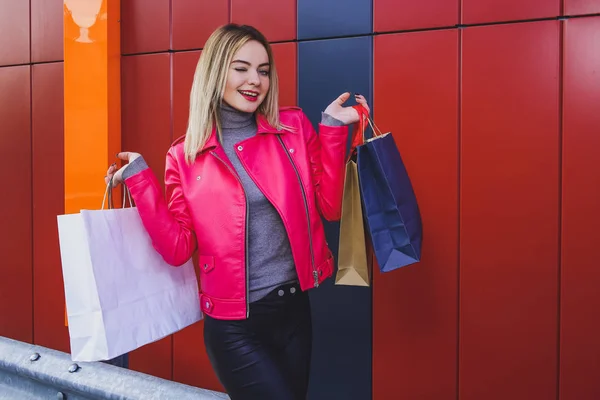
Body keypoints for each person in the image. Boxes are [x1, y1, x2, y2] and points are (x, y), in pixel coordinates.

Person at [105, 23, 370, 400]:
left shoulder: (291, 127)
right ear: (216, 71)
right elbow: (178, 247)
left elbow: (329, 207)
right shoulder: (185, 156)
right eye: (241, 67)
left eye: (263, 70)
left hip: (295, 311)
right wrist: (140, 180)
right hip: (234, 328)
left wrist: (330, 129)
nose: (255, 80)